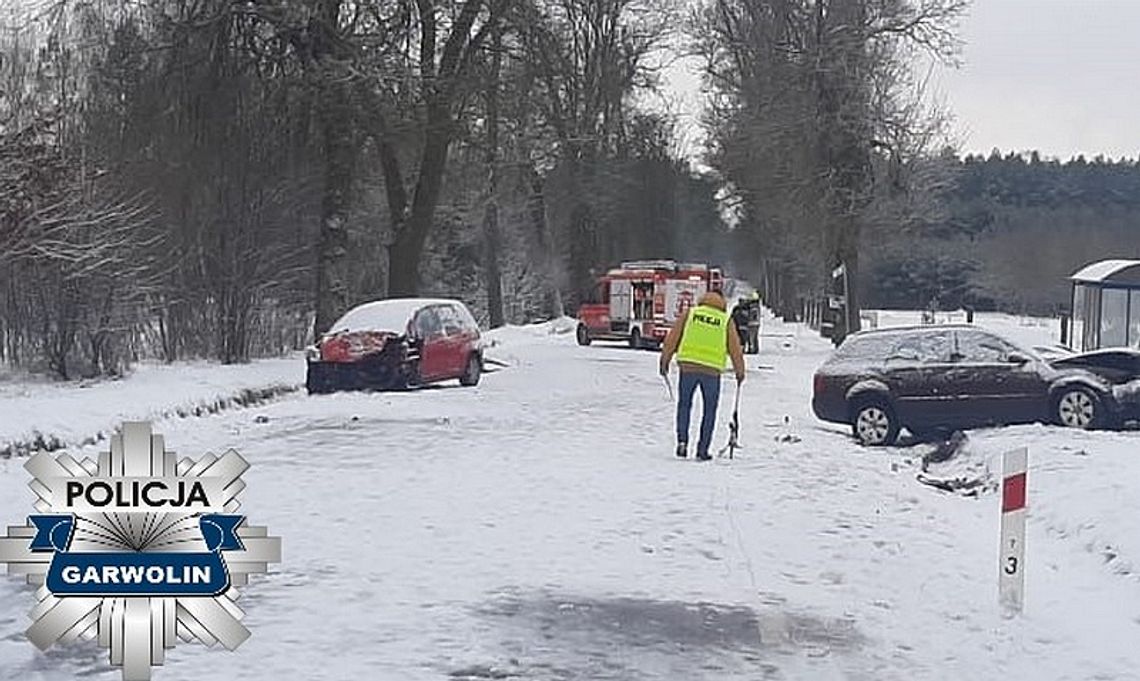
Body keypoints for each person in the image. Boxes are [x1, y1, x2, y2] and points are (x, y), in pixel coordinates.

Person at [659, 290, 746, 460]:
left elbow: (672, 338)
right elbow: (735, 349)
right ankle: (702, 449)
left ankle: (682, 442)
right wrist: (740, 372)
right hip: (711, 371)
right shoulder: (725, 320)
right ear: (721, 301)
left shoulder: (690, 314)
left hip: (688, 367)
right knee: (709, 411)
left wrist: (664, 361)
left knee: (684, 405)